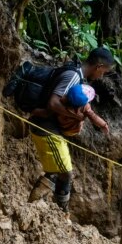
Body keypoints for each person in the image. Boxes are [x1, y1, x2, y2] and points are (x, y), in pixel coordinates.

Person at [27, 48, 114, 211]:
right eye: (104, 71)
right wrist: (77, 117)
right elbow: (53, 103)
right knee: (65, 172)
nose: (102, 75)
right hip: (46, 128)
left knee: (55, 171)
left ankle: (35, 207)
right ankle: (61, 212)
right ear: (99, 66)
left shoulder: (78, 77)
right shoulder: (73, 76)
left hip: (51, 128)